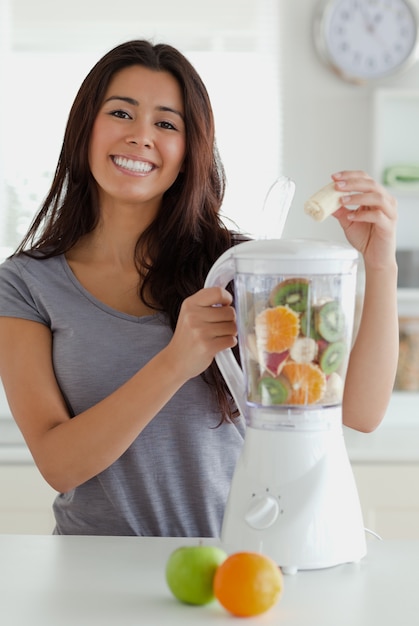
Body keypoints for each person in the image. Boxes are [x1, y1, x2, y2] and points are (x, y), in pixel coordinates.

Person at [0, 40, 398, 537]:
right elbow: (59, 465)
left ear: (190, 152)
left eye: (166, 124)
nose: (141, 136)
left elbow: (359, 412)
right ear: (85, 129)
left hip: (234, 568)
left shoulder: (241, 268)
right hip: (89, 569)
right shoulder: (25, 284)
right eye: (122, 113)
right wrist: (175, 360)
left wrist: (380, 266)